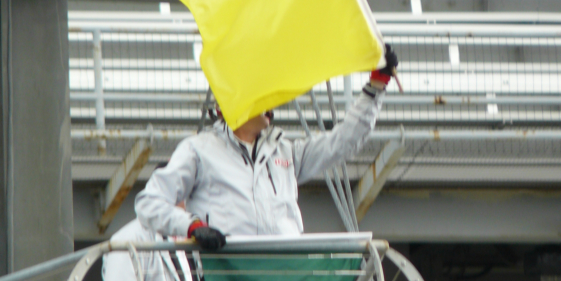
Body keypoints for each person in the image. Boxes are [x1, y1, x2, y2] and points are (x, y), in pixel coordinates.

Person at [134, 45, 399, 250]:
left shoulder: (286, 152)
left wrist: (376, 85)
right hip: (226, 275)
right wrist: (192, 227)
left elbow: (344, 140)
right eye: (259, 95)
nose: (270, 102)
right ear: (229, 104)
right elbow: (149, 202)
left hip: (286, 274)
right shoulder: (198, 150)